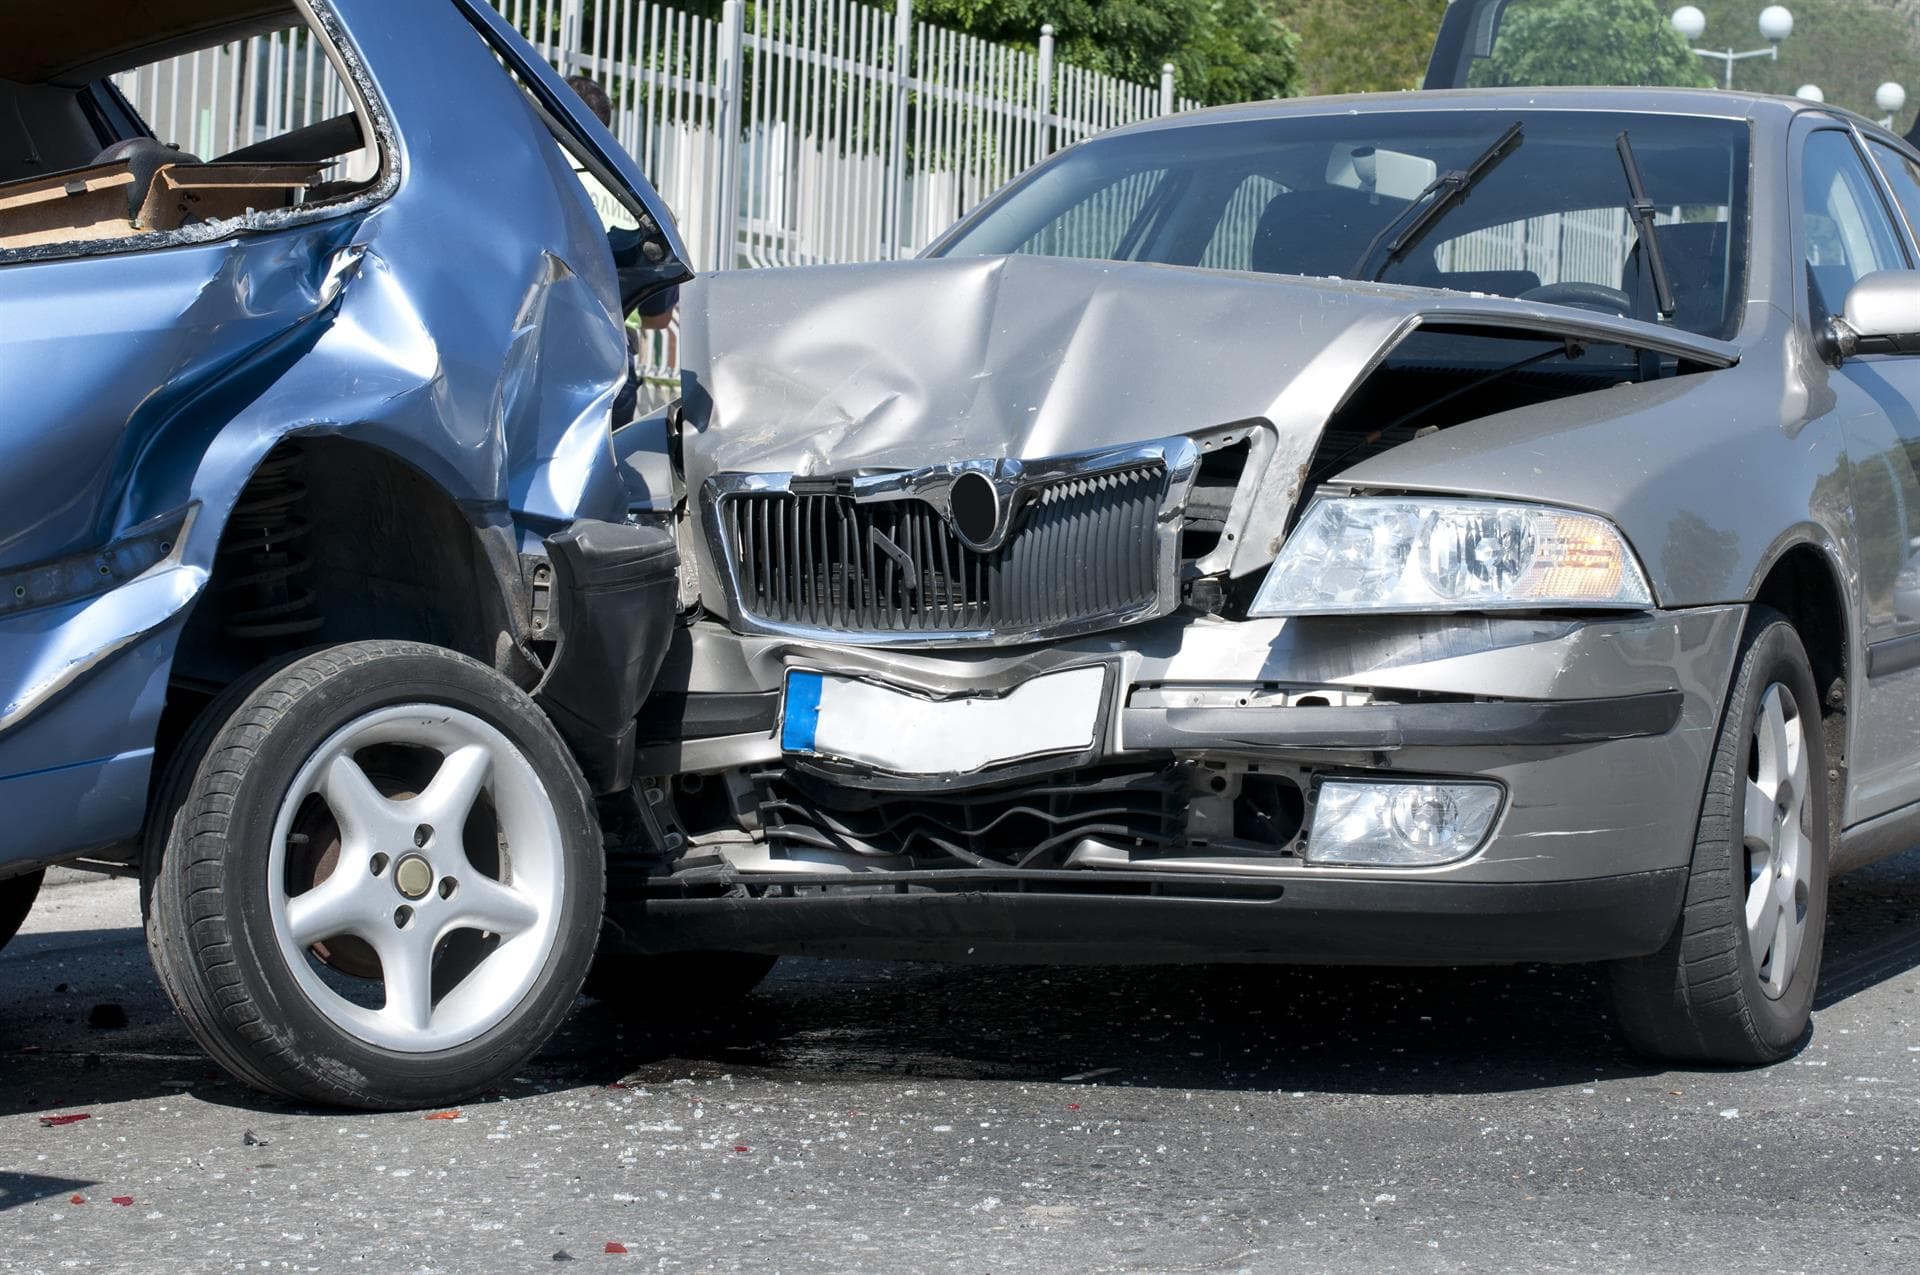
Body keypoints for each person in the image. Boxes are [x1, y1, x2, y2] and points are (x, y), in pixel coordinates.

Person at [566, 75, 677, 334]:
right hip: (613, 350)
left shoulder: (542, 170)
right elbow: (658, 318)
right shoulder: (635, 195)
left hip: (542, 338)